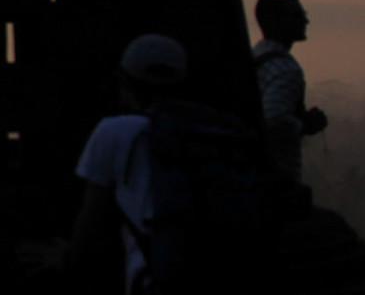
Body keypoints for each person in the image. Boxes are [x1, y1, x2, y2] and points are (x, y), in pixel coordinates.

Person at [68, 33, 266, 293]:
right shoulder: (221, 130)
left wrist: (66, 262)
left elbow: (92, 220)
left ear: (123, 81)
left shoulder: (115, 131)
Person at [254, 0, 328, 190]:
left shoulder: (257, 56)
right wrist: (304, 125)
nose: (305, 21)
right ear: (275, 21)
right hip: (278, 181)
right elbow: (275, 120)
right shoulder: (286, 70)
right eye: (297, 15)